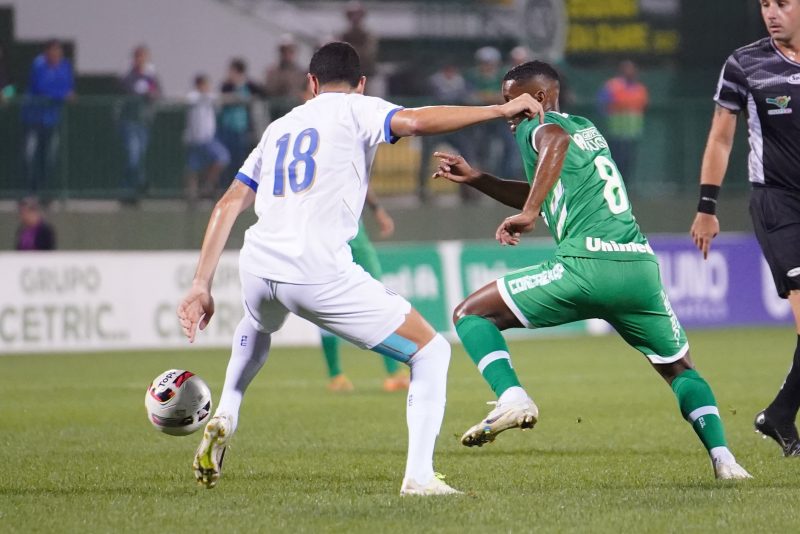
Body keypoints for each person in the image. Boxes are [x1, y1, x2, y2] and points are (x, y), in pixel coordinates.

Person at [177, 41, 543, 495]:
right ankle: (420, 477)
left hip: (257, 265)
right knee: (431, 352)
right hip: (315, 270)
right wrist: (497, 109)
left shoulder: (278, 127)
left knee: (257, 325)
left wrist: (200, 284)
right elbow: (413, 121)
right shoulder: (357, 109)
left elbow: (229, 202)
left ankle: (227, 412)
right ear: (361, 84)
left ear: (310, 84)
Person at [433, 60, 750, 480]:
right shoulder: (587, 127)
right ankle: (725, 460)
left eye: (511, 101)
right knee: (680, 370)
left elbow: (555, 144)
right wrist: (479, 179)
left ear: (540, 98)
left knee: (470, 315)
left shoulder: (538, 125)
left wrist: (528, 215)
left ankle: (512, 397)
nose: (507, 111)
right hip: (639, 269)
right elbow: (549, 185)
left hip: (585, 267)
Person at [690, 0, 800, 457]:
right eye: (764, 4)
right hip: (779, 204)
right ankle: (778, 415)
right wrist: (706, 206)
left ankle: (778, 415)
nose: (771, 12)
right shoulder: (745, 63)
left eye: (782, 3)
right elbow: (721, 135)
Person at [323, 188, 410, 393]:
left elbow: (360, 177)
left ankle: (392, 372)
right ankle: (336, 375)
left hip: (345, 229)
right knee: (325, 297)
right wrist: (377, 209)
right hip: (332, 231)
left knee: (378, 295)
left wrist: (377, 209)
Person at [416, 62, 475, 202]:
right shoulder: (433, 83)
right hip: (434, 126)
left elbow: (468, 100)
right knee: (426, 156)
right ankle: (422, 188)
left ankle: (467, 187)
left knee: (466, 153)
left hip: (454, 126)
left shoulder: (461, 83)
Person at [22, 39, 74, 193]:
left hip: (51, 119)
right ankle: (29, 192)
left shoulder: (65, 65)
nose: (56, 55)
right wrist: (61, 94)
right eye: (53, 52)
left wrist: (63, 93)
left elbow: (68, 86)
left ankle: (44, 192)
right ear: (46, 52)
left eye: (58, 52)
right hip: (32, 119)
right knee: (29, 156)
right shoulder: (38, 64)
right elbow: (42, 87)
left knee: (49, 157)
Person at [119, 45, 161, 200]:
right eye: (138, 56)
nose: (141, 60)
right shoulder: (129, 75)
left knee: (139, 157)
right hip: (129, 121)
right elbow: (126, 88)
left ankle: (133, 191)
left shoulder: (150, 75)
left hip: (144, 122)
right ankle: (130, 189)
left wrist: (152, 93)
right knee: (133, 156)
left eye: (143, 56)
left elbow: (158, 92)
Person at [597, 60, 648, 181]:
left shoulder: (640, 89)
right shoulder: (613, 86)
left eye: (632, 69)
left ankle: (626, 186)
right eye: (626, 69)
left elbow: (643, 107)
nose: (630, 72)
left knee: (629, 162)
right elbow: (602, 104)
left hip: (633, 133)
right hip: (616, 132)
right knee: (616, 160)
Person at [183, 74, 230, 199]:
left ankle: (207, 187)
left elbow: (223, 98)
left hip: (208, 139)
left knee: (222, 158)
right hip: (195, 139)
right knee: (193, 169)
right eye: (205, 84)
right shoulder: (193, 96)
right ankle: (192, 196)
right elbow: (188, 99)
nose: (208, 87)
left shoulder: (210, 96)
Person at [219, 58, 265, 182]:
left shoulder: (250, 85)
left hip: (243, 129)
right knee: (228, 160)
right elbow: (222, 99)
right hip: (228, 129)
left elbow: (261, 94)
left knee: (242, 161)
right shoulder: (227, 86)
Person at [264, 35, 307, 119]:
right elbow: (268, 91)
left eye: (290, 51)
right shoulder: (272, 72)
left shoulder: (301, 73)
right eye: (284, 51)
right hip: (277, 116)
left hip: (297, 116)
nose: (287, 54)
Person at [339, 1, 378, 77]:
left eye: (358, 15)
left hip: (366, 74)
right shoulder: (344, 35)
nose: (355, 18)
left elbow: (369, 53)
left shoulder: (368, 35)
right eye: (351, 15)